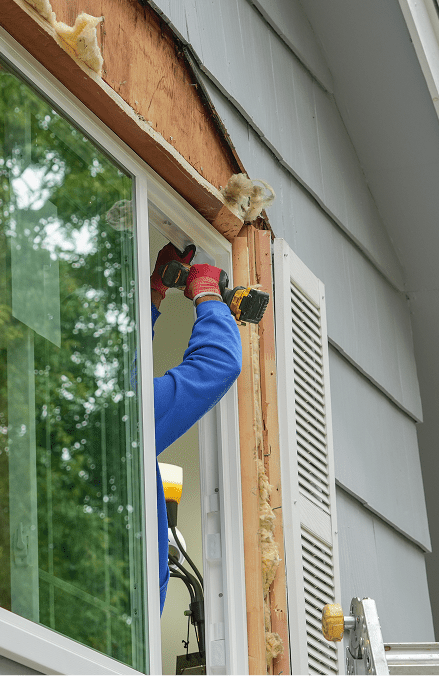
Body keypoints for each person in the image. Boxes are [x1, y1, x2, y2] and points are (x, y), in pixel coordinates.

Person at [149, 243, 242, 612]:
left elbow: (122, 358)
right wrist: (207, 294)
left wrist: (155, 292)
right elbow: (218, 363)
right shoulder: (122, 418)